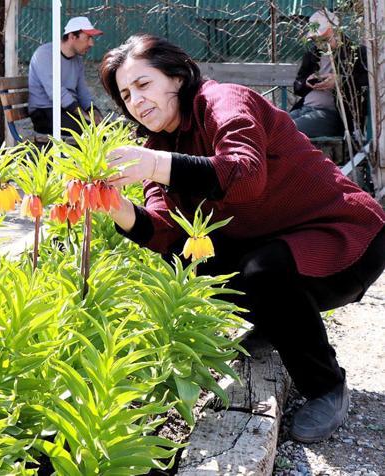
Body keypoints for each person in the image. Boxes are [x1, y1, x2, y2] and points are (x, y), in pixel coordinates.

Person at [99, 34, 385, 443]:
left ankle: (325, 387)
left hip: (350, 238)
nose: (136, 101)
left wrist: (156, 164)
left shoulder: (224, 102)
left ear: (177, 78)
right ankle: (278, 320)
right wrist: (115, 208)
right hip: (283, 243)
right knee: (188, 258)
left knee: (264, 269)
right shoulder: (159, 145)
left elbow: (245, 175)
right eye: (126, 95)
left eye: (143, 85)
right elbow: (165, 232)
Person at [290, 9, 368, 138]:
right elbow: (297, 86)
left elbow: (367, 80)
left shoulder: (356, 53)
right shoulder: (312, 54)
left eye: (324, 39)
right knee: (274, 126)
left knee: (285, 130)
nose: (320, 44)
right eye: (316, 40)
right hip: (304, 109)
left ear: (337, 31)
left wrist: (340, 80)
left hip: (333, 115)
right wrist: (307, 82)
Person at [28, 16, 104, 135]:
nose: (91, 43)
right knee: (93, 133)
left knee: (107, 130)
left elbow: (83, 91)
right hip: (44, 113)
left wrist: (94, 111)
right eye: (88, 37)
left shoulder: (77, 60)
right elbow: (57, 93)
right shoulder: (44, 54)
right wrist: (85, 117)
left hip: (67, 111)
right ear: (72, 36)